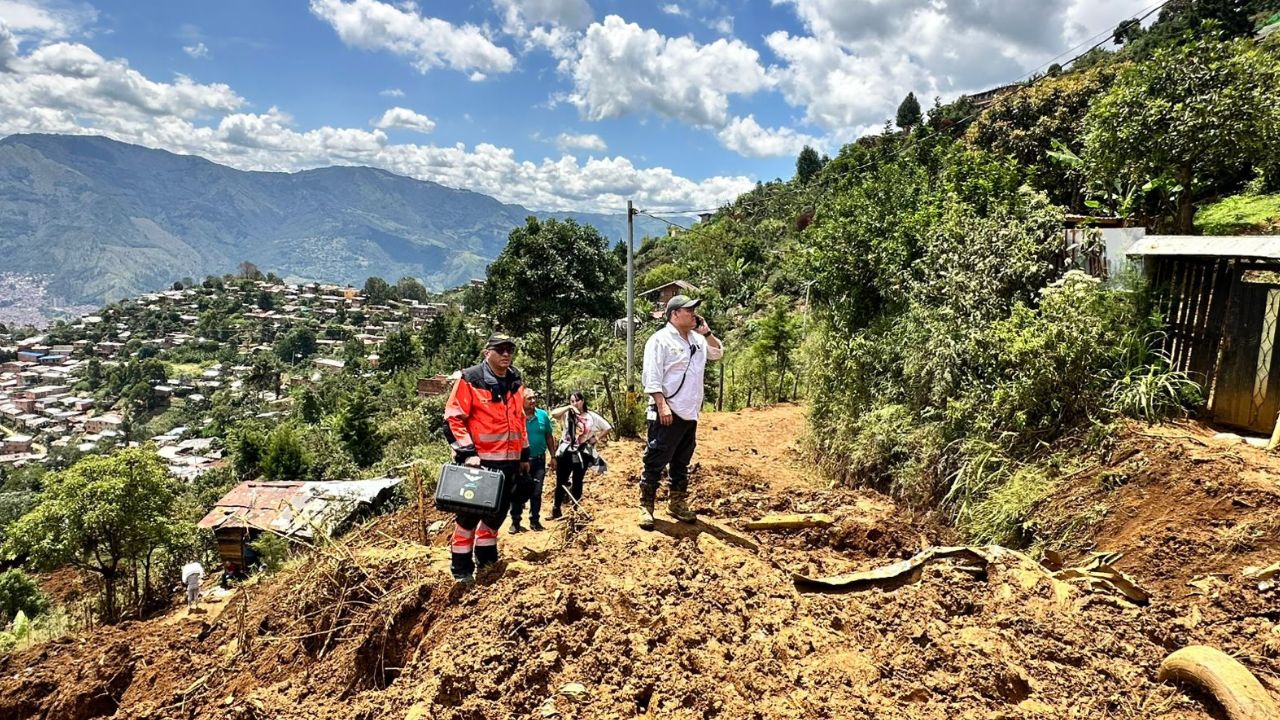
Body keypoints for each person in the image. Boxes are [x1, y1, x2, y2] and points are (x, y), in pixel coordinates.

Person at [443, 334, 531, 583]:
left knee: (495, 517)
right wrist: (468, 453)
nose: (506, 354)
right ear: (487, 353)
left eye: (510, 349)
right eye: (500, 349)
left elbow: (519, 420)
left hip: (509, 463)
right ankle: (461, 570)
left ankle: (487, 564)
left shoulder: (515, 381)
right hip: (479, 464)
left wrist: (524, 453)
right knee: (468, 518)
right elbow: (452, 419)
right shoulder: (470, 379)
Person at [638, 295, 723, 529]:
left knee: (681, 461)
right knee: (656, 457)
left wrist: (706, 332)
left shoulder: (697, 339)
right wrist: (661, 404)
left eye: (695, 309)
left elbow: (717, 353)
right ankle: (646, 506)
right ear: (675, 314)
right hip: (668, 410)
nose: (694, 313)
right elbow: (652, 376)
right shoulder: (660, 340)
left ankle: (676, 503)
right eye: (689, 310)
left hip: (690, 411)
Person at [549, 390, 613, 519]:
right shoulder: (566, 414)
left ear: (582, 401)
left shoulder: (591, 416)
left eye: (577, 400)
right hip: (565, 451)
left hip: (582, 452)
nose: (575, 403)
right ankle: (556, 509)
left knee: (578, 480)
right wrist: (568, 407)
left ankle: (575, 510)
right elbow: (553, 414)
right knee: (561, 481)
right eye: (572, 401)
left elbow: (607, 427)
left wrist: (596, 438)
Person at [509, 387, 556, 533]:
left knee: (537, 492)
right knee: (517, 492)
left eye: (534, 398)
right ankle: (515, 521)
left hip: (539, 460)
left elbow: (549, 436)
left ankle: (534, 520)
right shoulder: (515, 416)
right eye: (529, 398)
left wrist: (553, 456)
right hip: (520, 461)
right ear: (521, 400)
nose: (533, 401)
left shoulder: (542, 415)